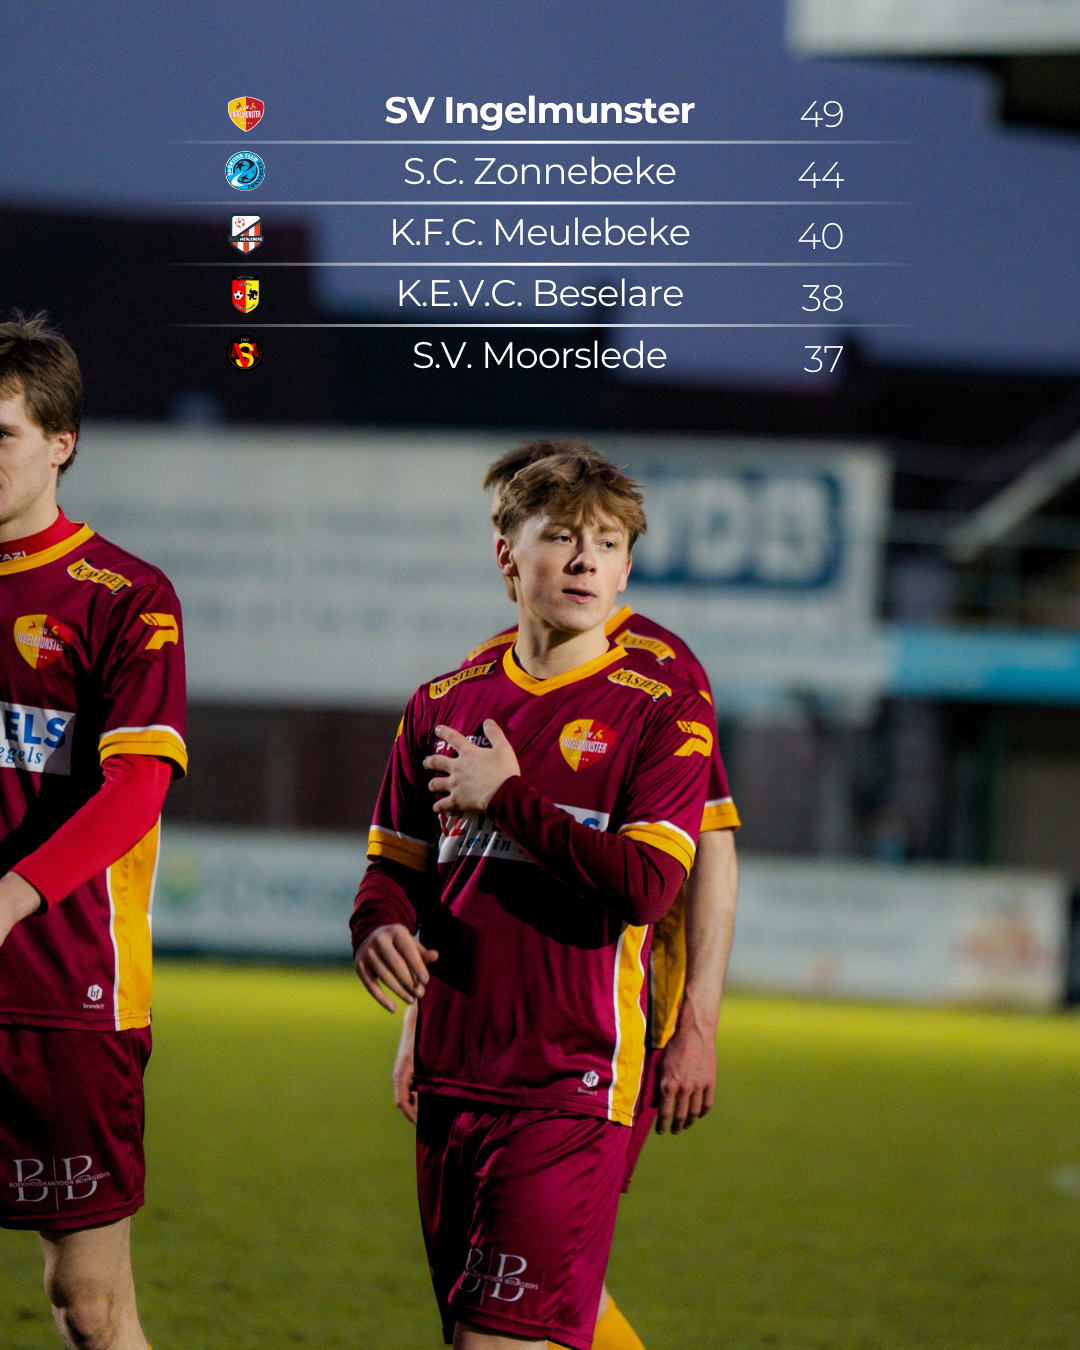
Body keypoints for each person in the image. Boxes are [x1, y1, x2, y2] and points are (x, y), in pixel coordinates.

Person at [352, 452, 713, 1350]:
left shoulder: (663, 706)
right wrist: (377, 926)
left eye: (608, 544)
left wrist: (509, 799)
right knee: (498, 1332)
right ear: (507, 557)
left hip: (572, 1078)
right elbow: (394, 869)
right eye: (562, 538)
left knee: (496, 1340)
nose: (586, 560)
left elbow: (648, 885)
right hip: (453, 1071)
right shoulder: (442, 702)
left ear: (626, 570)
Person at [0, 315, 187, 1350]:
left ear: (60, 442)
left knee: (89, 1303)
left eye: (1, 435)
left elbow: (136, 788)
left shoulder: (124, 597)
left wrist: (10, 896)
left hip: (66, 993)